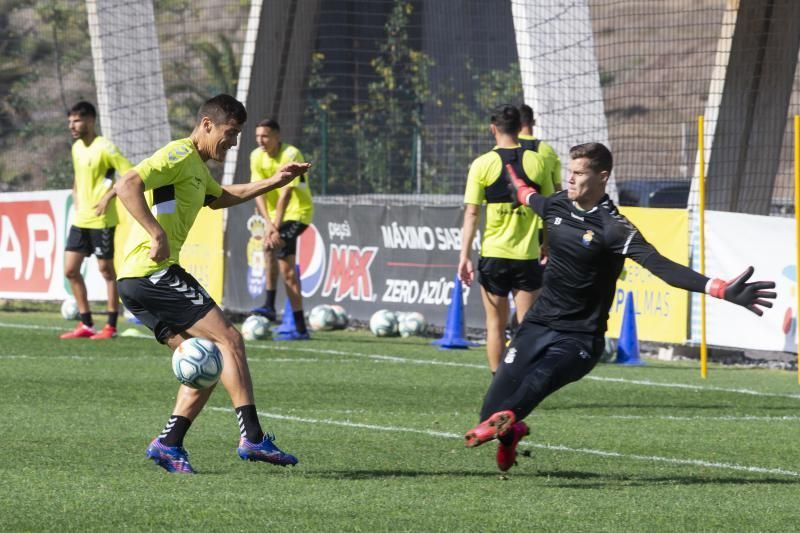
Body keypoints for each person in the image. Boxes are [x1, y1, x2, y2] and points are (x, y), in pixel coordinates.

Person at [464, 142, 776, 472]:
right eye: (569, 172)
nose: (569, 179)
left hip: (579, 338)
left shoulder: (614, 228)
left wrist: (720, 288)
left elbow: (662, 266)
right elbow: (527, 194)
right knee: (489, 411)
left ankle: (510, 418)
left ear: (602, 177)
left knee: (541, 379)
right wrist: (512, 172)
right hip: (537, 326)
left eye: (579, 173)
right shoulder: (556, 205)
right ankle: (511, 431)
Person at [114, 94, 311, 474]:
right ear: (207, 124)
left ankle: (169, 444)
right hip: (151, 272)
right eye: (230, 132)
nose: (234, 142)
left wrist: (274, 181)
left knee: (204, 361)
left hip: (138, 280)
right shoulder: (177, 154)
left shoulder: (196, 166)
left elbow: (220, 198)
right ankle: (253, 437)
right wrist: (156, 233)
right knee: (230, 340)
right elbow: (127, 185)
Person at [458, 105, 554, 374]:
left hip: (495, 255)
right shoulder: (538, 161)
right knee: (526, 326)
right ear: (520, 128)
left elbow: (472, 212)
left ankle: (497, 385)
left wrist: (464, 256)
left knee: (495, 325)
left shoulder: (482, 164)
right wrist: (546, 243)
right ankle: (522, 383)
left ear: (493, 129)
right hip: (526, 255)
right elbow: (547, 208)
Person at [60, 101, 133, 340]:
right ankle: (86, 323)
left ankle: (111, 326)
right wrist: (75, 193)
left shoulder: (106, 148)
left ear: (90, 121)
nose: (72, 125)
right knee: (70, 270)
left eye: (76, 121)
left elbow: (129, 174)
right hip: (81, 220)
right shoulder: (76, 148)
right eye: (70, 121)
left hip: (102, 221)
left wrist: (108, 197)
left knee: (106, 271)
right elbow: (79, 178)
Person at [249, 119, 314, 340]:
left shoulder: (291, 154)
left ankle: (297, 326)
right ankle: (272, 308)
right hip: (275, 219)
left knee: (286, 271)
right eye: (258, 136)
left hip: (297, 214)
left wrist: (275, 227)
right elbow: (258, 191)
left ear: (277, 136)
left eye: (265, 136)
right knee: (270, 250)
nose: (260, 141)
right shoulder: (256, 156)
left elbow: (286, 194)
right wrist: (269, 224)